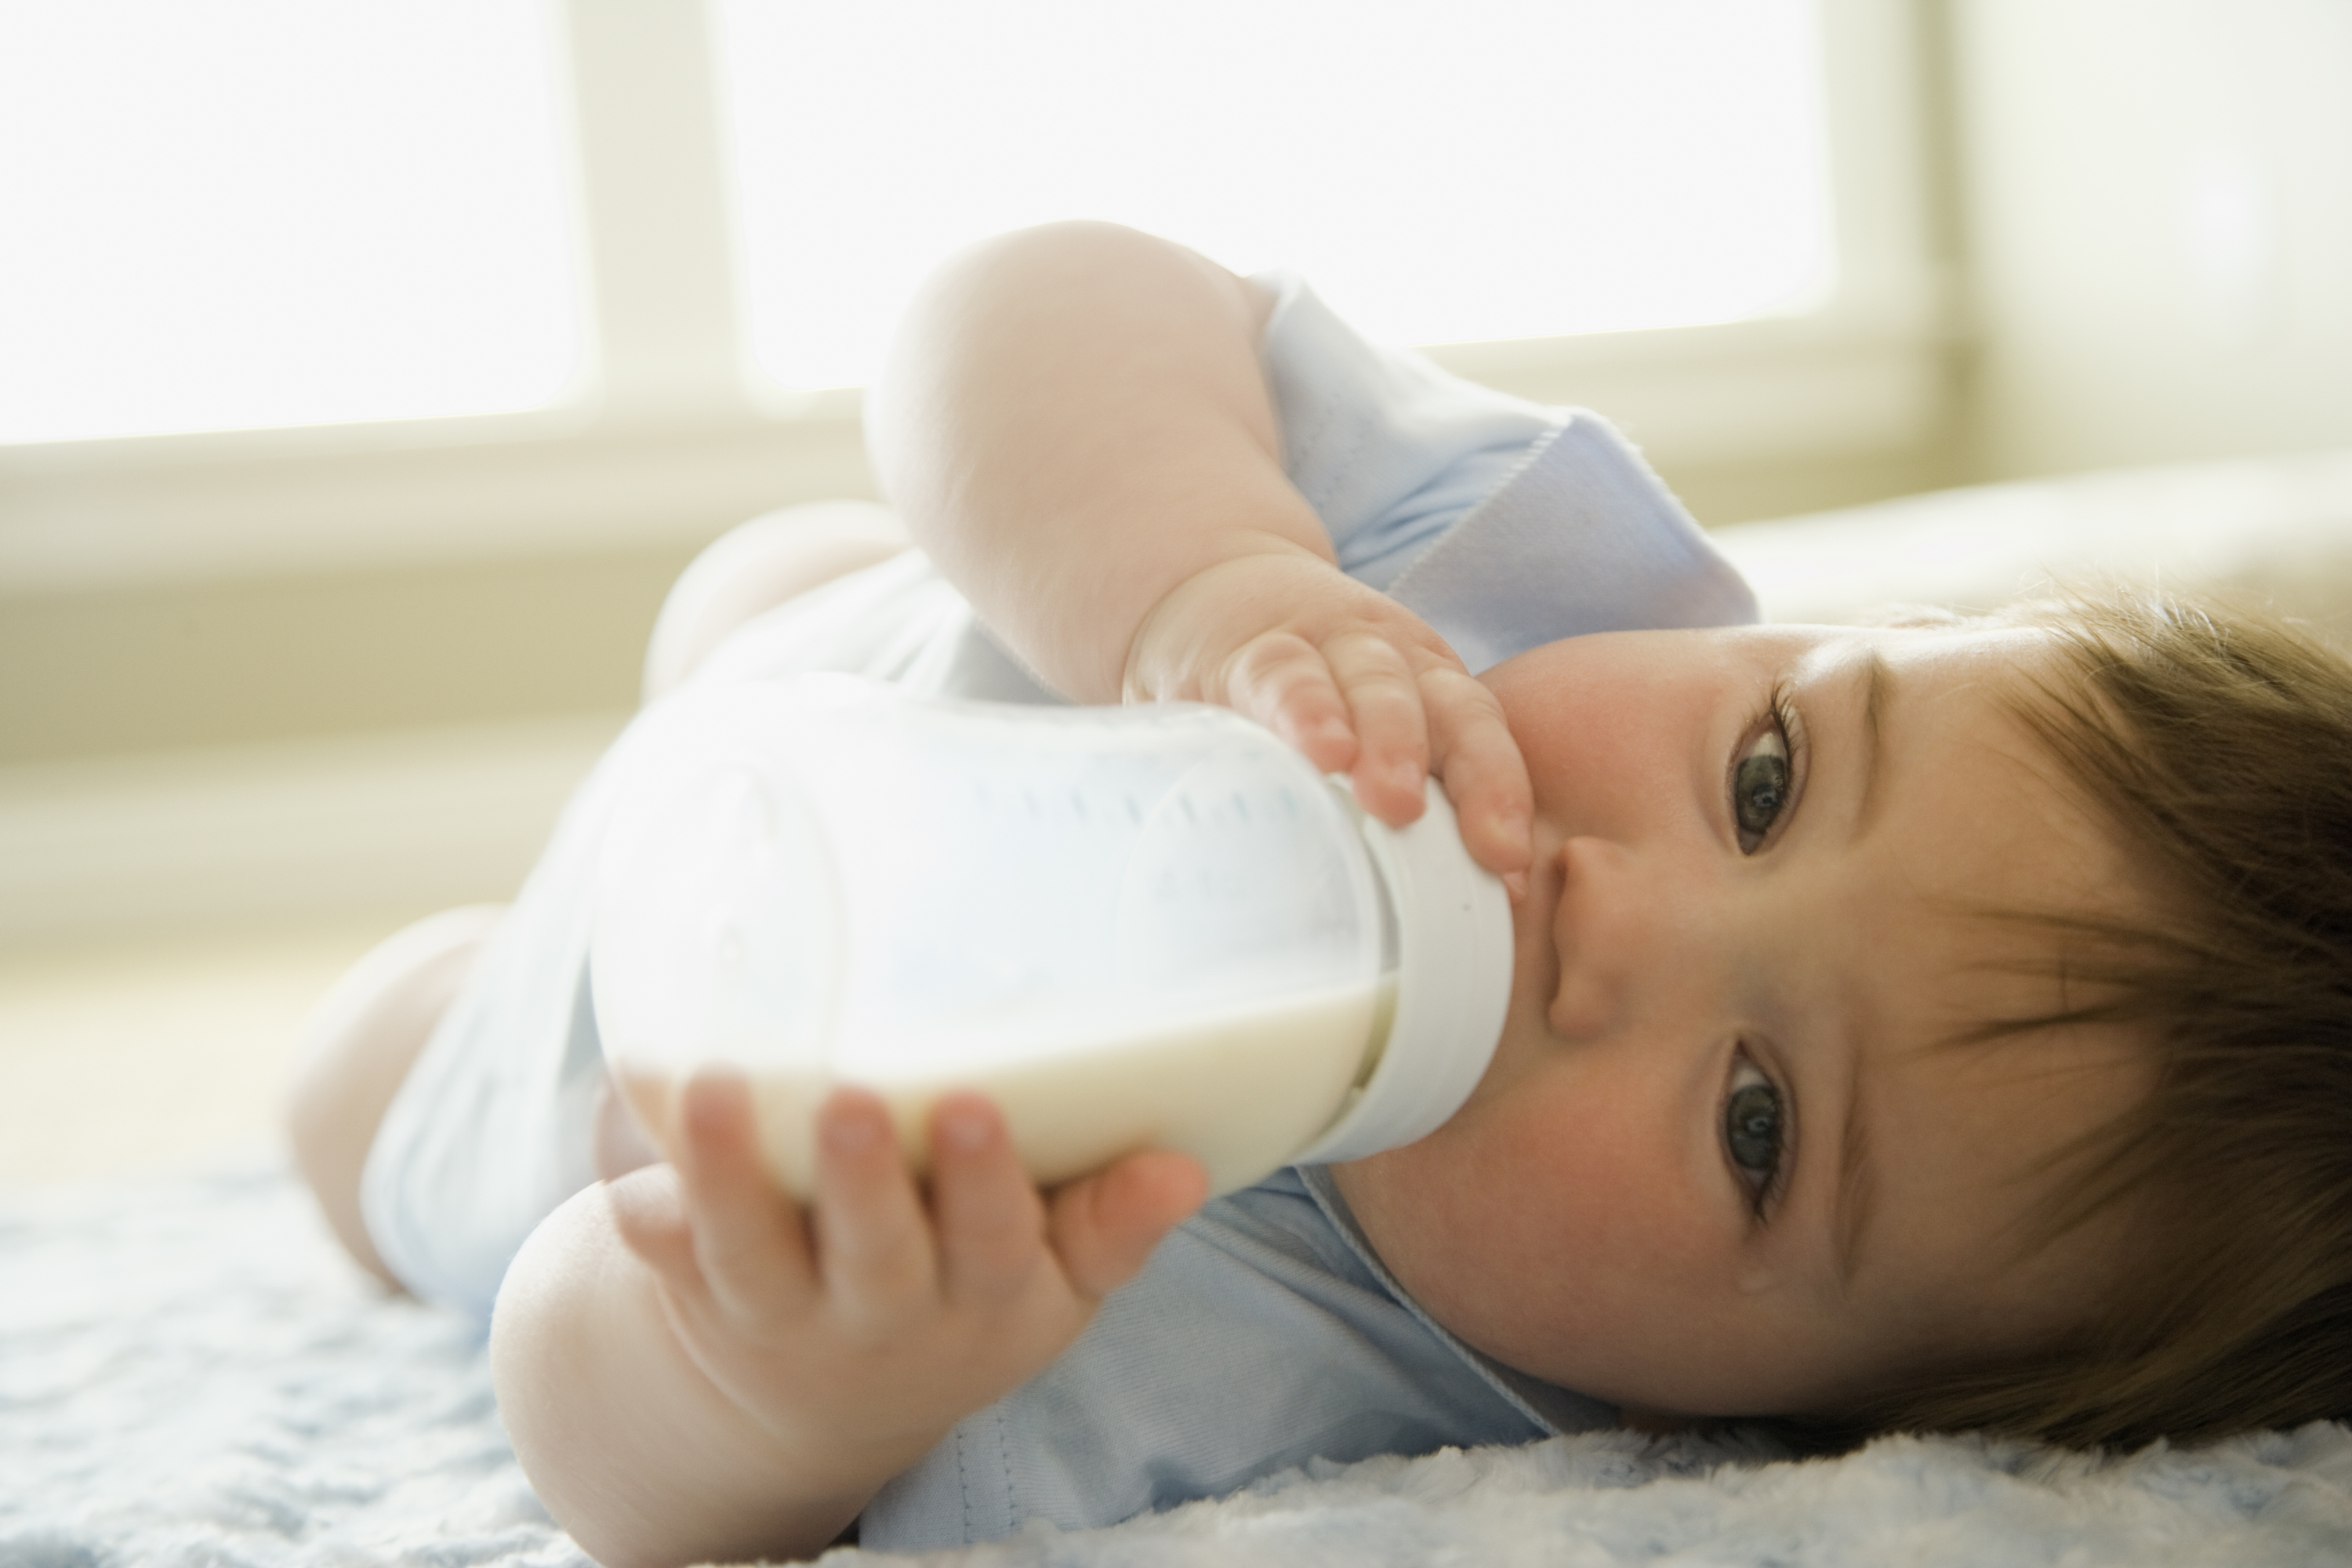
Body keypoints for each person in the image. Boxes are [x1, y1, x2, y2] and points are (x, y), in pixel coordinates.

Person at [286, 222, 2352, 1568]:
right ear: (1807, 635)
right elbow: (1020, 307)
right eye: (1770, 771)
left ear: (1738, 1421)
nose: (1610, 917)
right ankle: (750, 640)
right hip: (855, 680)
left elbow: (580, 1394)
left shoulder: (1224, 1394)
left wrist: (778, 1381)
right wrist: (1205, 577)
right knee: (808, 573)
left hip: (595, 1030)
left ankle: (434, 999)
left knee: (354, 1122)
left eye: (1757, 1128)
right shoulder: (1477, 574)